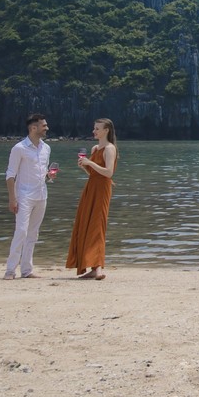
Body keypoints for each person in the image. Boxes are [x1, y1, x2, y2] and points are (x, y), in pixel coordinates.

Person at [66, 118, 118, 280]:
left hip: (102, 190)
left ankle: (99, 268)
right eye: (94, 128)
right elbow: (94, 174)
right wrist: (85, 167)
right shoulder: (95, 147)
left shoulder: (110, 148)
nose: (94, 131)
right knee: (86, 224)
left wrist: (90, 163)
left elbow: (109, 173)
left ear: (106, 130)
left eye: (97, 128)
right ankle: (94, 267)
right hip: (91, 187)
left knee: (97, 225)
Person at [3, 113, 54, 279]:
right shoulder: (19, 148)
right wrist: (12, 198)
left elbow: (43, 173)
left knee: (33, 233)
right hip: (24, 195)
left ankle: (26, 270)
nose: (46, 128)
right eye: (43, 126)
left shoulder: (46, 148)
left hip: (41, 194)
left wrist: (50, 176)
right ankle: (10, 270)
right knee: (22, 231)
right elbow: (10, 175)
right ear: (34, 128)